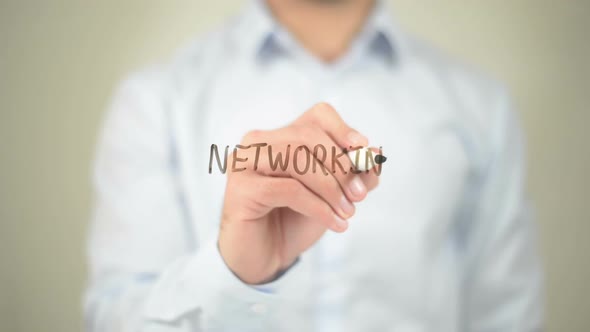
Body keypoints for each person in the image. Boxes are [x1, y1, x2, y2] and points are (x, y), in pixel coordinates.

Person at [84, 0, 543, 331]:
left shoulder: (481, 107)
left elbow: (507, 316)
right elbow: (114, 321)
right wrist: (234, 274)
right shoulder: (157, 101)